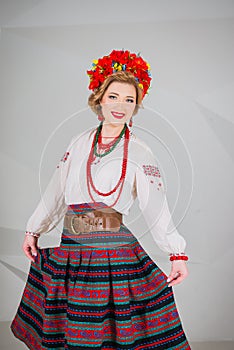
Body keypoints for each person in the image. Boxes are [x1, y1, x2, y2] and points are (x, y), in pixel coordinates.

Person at [10, 49, 191, 349]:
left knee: (110, 334)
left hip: (112, 255)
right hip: (72, 251)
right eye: (113, 97)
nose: (121, 105)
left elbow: (155, 208)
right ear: (99, 99)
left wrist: (177, 253)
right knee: (77, 331)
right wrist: (33, 229)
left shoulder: (141, 151)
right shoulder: (78, 142)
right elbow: (56, 190)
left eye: (130, 100)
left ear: (136, 106)